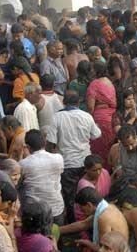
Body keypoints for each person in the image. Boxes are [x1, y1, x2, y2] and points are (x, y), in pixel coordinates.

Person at [48, 88, 101, 219]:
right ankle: (89, 221)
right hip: (85, 163)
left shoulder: (56, 117)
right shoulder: (86, 116)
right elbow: (96, 135)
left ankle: (73, 223)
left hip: (67, 165)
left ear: (64, 102)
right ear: (78, 102)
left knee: (70, 197)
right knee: (87, 194)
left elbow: (51, 143)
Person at [20, 129, 66, 222]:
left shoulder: (23, 164)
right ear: (44, 142)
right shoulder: (58, 158)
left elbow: (19, 181)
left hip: (34, 212)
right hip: (56, 209)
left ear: (27, 147)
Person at [61, 187, 130, 248]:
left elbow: (103, 249)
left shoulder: (103, 218)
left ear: (89, 205)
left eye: (82, 209)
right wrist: (58, 230)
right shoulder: (107, 207)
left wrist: (87, 243)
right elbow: (83, 224)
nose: (82, 211)